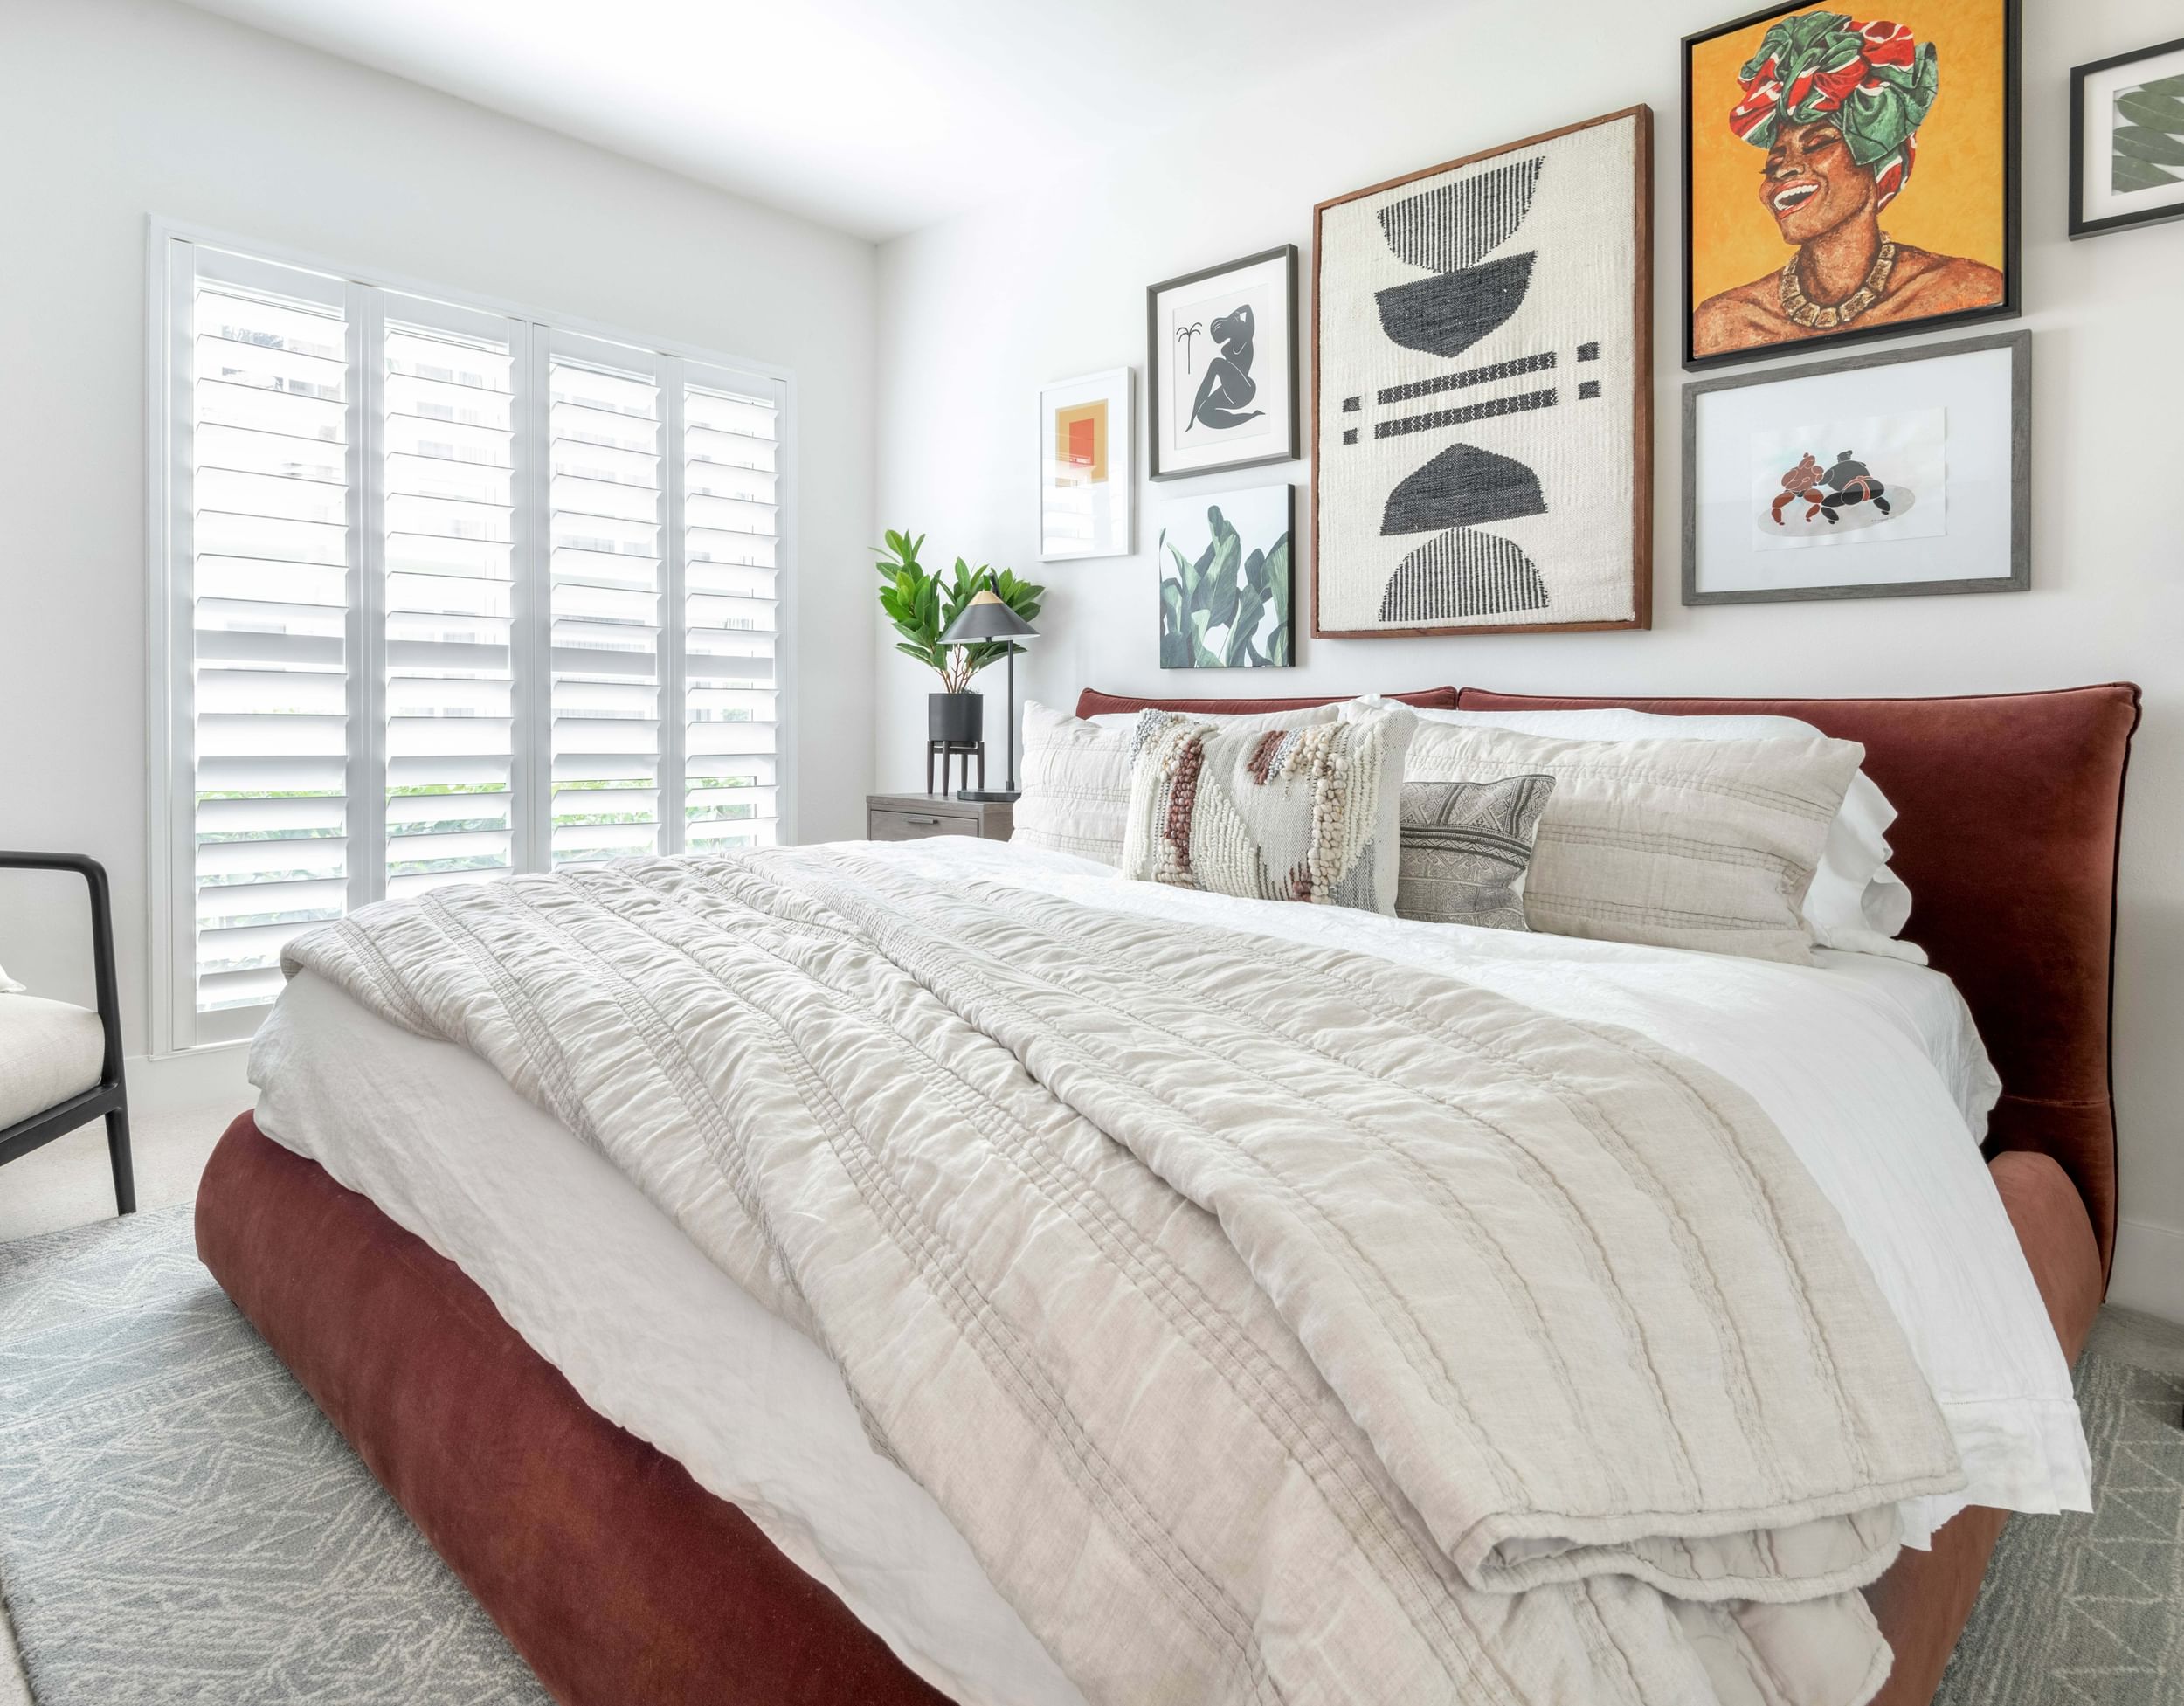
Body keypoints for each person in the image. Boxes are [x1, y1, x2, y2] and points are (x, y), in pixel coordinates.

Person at [1693, 12, 2002, 357]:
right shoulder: (1722, 321)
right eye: (1773, 163)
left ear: (1879, 165)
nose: (1785, 170)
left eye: (1818, 144)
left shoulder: (1970, 289)